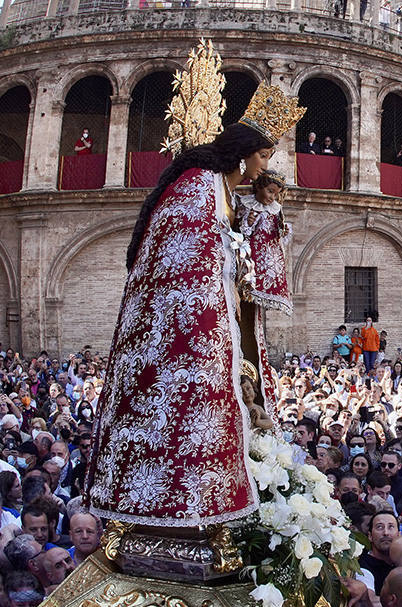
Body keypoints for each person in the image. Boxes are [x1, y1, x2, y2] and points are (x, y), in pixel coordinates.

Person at [87, 70, 304, 532]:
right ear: (244, 154)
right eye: (264, 156)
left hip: (219, 323)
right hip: (184, 335)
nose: (265, 167)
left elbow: (245, 247)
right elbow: (187, 262)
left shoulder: (227, 193)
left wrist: (266, 221)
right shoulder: (197, 187)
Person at [238, 169, 293, 316]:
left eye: (276, 194)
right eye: (270, 191)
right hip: (254, 255)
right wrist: (248, 223)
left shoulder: (276, 210)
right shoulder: (247, 205)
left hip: (271, 255)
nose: (272, 197)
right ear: (258, 187)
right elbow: (243, 232)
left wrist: (284, 231)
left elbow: (280, 233)